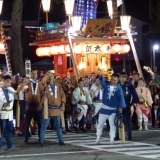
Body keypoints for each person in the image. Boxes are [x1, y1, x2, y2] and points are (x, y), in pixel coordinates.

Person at [95, 69, 126, 144]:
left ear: (117, 80)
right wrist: (100, 74)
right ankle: (98, 138)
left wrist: (120, 107)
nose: (113, 81)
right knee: (100, 124)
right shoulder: (106, 85)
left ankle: (112, 138)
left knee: (112, 125)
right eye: (112, 79)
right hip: (104, 108)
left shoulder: (119, 88)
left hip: (113, 109)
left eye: (115, 80)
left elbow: (121, 98)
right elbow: (102, 82)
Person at [39, 70, 66, 146]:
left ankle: (61, 141)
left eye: (52, 76)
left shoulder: (58, 85)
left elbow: (63, 95)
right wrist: (46, 76)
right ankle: (41, 141)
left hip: (57, 109)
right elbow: (41, 84)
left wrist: (63, 105)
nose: (51, 78)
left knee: (58, 126)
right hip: (47, 109)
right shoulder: (44, 86)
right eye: (49, 76)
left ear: (54, 77)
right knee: (44, 126)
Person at [18, 69, 42, 143]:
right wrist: (24, 83)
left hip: (37, 106)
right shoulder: (28, 82)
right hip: (29, 106)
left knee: (40, 123)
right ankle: (26, 138)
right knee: (27, 123)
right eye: (33, 73)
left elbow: (42, 92)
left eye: (35, 73)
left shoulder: (40, 82)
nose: (34, 74)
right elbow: (22, 90)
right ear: (30, 74)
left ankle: (40, 138)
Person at [115, 72, 139, 140]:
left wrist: (134, 102)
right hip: (118, 105)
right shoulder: (117, 85)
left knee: (127, 121)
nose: (122, 78)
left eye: (124, 77)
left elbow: (134, 94)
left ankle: (129, 136)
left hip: (127, 105)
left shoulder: (129, 85)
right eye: (121, 77)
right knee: (117, 121)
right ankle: (117, 135)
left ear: (126, 78)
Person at [0, 75, 20, 151]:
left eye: (9, 82)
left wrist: (21, 89)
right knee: (1, 131)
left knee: (9, 130)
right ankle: (0, 147)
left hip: (10, 113)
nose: (8, 83)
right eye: (7, 81)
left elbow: (18, 96)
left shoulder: (10, 89)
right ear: (3, 81)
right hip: (1, 113)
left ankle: (10, 145)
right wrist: (2, 104)